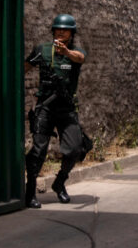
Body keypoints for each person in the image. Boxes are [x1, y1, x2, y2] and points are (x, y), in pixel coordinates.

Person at [23, 14, 90, 208]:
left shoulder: (75, 52)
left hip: (67, 109)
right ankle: (30, 191)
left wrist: (66, 52)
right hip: (45, 107)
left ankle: (59, 182)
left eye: (65, 30)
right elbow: (24, 68)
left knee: (76, 149)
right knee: (38, 150)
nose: (60, 32)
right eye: (57, 29)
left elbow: (81, 58)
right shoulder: (42, 50)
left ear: (71, 33)